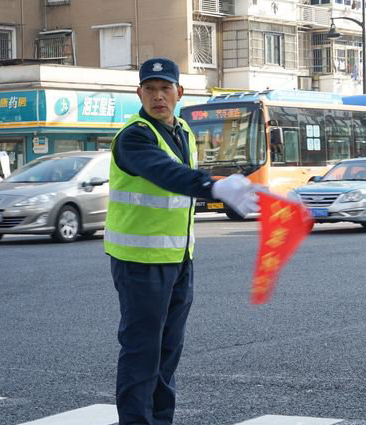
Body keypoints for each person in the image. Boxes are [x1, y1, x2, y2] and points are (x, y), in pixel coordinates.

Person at [105, 57, 259, 425]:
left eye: (165, 88)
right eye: (150, 89)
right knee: (143, 352)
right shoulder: (135, 136)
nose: (158, 96)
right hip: (139, 261)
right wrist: (212, 185)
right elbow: (165, 173)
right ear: (138, 93)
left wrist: (241, 197)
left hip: (178, 258)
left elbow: (184, 185)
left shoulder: (183, 132)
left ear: (180, 92)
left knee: (168, 352)